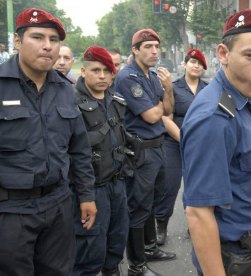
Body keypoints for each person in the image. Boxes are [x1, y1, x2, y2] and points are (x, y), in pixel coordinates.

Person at [181, 9, 251, 276]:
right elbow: (199, 213)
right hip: (233, 257)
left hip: (250, 250)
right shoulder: (215, 117)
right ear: (223, 54)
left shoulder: (239, 99)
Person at [0, 8, 96, 275]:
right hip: (10, 212)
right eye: (38, 37)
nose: (47, 46)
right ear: (17, 42)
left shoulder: (66, 90)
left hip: (58, 206)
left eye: (54, 40)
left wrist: (87, 195)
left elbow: (79, 149)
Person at [113, 28, 176, 276]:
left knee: (150, 203)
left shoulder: (151, 76)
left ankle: (150, 248)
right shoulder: (129, 77)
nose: (154, 51)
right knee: (137, 207)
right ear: (135, 50)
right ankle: (136, 265)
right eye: (148, 46)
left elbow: (168, 110)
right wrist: (159, 104)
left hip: (156, 147)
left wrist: (168, 89)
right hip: (140, 151)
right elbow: (151, 116)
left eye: (156, 47)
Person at [71, 46, 130, 276]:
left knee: (116, 240)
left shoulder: (116, 100)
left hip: (117, 183)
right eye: (96, 70)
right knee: (89, 249)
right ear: (83, 71)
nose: (103, 75)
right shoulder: (71, 103)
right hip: (90, 189)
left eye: (108, 70)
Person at [155, 48, 208, 246]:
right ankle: (161, 225)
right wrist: (184, 140)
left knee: (199, 187)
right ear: (184, 64)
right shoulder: (172, 87)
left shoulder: (210, 89)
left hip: (201, 147)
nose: (196, 66)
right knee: (169, 186)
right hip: (174, 143)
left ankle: (195, 225)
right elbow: (165, 117)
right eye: (192, 62)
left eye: (200, 64)